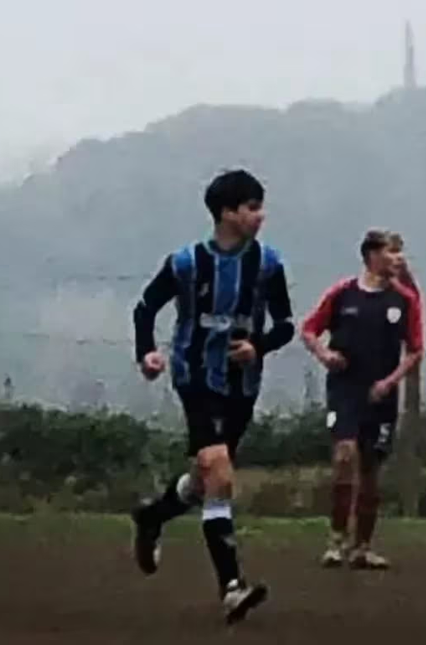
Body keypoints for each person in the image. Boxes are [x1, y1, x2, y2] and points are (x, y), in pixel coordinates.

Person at [130, 168, 295, 623]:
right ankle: (232, 587)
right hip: (196, 377)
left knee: (206, 479)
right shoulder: (186, 263)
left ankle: (153, 516)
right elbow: (146, 307)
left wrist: (258, 345)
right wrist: (147, 353)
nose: (261, 216)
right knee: (220, 473)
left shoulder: (267, 264)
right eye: (252, 208)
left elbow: (285, 324)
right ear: (227, 213)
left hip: (242, 386)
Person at [300, 229, 425, 570]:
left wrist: (389, 382)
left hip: (381, 394)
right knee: (344, 456)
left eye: (400, 252)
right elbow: (309, 329)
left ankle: (362, 547)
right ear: (372, 255)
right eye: (392, 252)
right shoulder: (343, 293)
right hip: (345, 390)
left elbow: (415, 350)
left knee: (371, 470)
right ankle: (336, 540)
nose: (399, 258)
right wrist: (325, 354)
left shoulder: (404, 300)